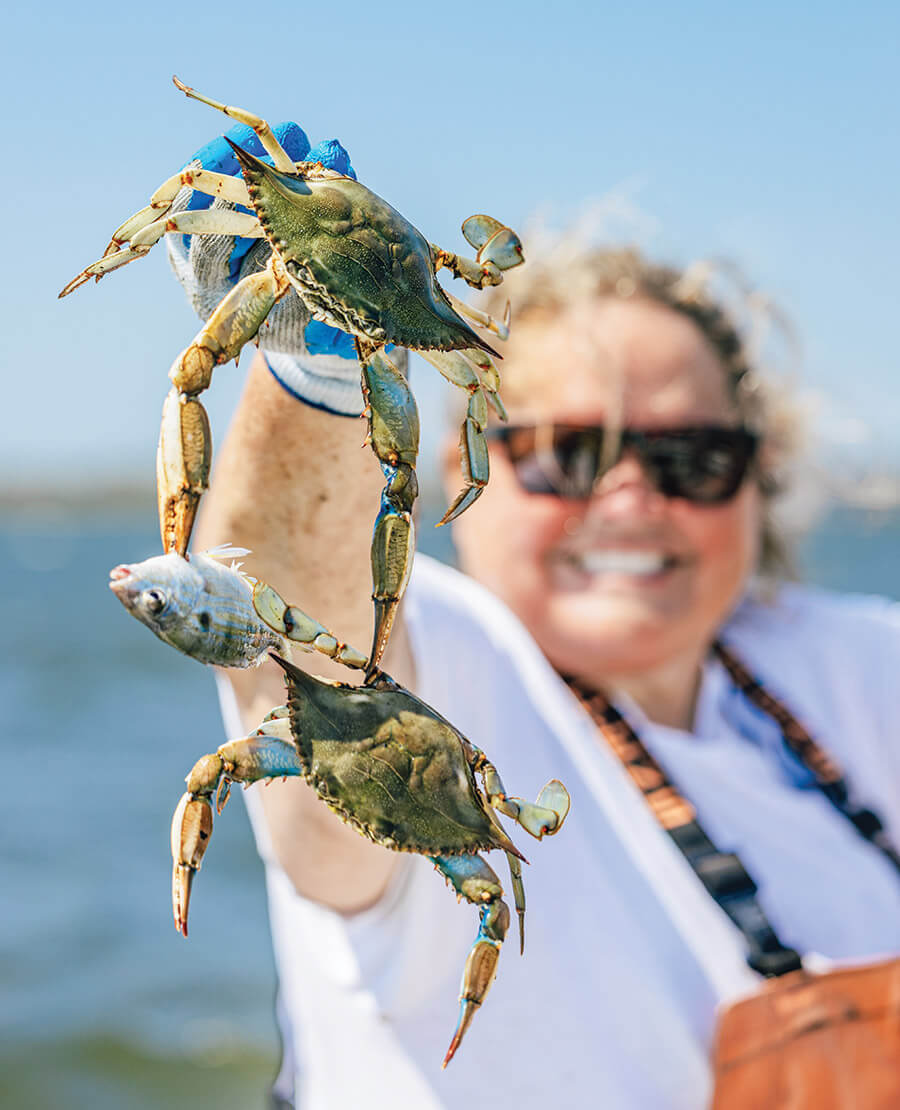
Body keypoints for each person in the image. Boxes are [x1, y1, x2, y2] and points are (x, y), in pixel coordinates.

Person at [166, 122, 900, 1109]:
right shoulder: (455, 661)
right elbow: (294, 617)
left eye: (691, 460)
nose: (635, 501)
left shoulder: (849, 666)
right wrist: (309, 382)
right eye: (566, 457)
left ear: (758, 482)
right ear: (464, 465)